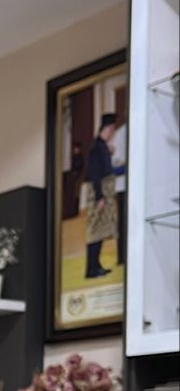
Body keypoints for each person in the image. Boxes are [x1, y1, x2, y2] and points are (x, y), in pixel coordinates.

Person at [84, 112, 118, 278]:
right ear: (108, 128)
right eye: (112, 129)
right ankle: (91, 269)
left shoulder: (102, 146)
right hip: (99, 193)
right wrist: (99, 196)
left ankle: (95, 265)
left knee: (100, 231)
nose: (113, 132)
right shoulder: (97, 148)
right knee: (95, 231)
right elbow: (95, 173)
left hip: (103, 191)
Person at [110, 120, 127, 265]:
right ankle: (123, 257)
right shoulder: (121, 133)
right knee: (123, 223)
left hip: (128, 184)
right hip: (123, 186)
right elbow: (115, 163)